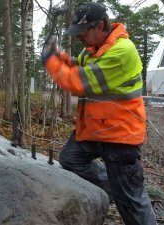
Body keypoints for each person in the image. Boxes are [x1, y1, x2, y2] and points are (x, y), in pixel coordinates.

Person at [41, 2, 157, 225]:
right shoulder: (94, 49)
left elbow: (78, 81)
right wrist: (59, 56)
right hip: (96, 131)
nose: (79, 38)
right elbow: (78, 66)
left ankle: (120, 192)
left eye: (83, 32)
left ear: (101, 26)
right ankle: (112, 187)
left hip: (120, 136)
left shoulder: (122, 51)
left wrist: (51, 62)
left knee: (132, 205)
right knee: (70, 159)